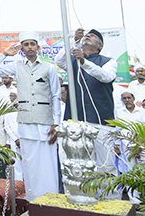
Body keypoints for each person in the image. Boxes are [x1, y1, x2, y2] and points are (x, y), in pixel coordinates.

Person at [0, 31, 61, 202]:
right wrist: (4, 54)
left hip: (45, 122)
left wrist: (57, 123)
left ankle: (51, 201)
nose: (29, 47)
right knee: (29, 164)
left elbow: (56, 96)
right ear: (22, 48)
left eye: (32, 44)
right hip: (26, 123)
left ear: (38, 46)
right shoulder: (17, 66)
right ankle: (34, 202)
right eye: (26, 44)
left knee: (48, 163)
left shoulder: (49, 68)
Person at [55, 28, 118, 182]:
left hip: (101, 121)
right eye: (87, 35)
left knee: (105, 164)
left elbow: (106, 76)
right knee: (77, 164)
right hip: (76, 122)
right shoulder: (73, 61)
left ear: (100, 46)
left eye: (94, 36)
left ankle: (109, 202)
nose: (88, 36)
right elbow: (59, 61)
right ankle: (83, 198)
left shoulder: (108, 62)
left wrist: (84, 62)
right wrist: (74, 42)